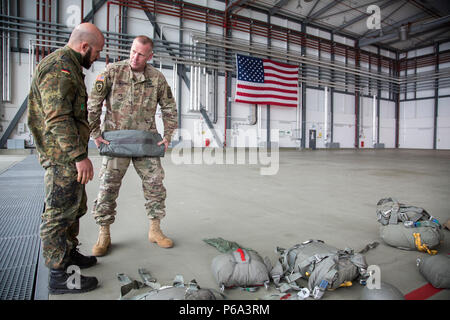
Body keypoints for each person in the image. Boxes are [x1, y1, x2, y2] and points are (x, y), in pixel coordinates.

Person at [27, 23, 105, 294]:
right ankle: (60, 276)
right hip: (62, 157)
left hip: (68, 156)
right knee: (58, 214)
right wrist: (79, 156)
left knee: (73, 208)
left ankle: (69, 255)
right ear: (84, 46)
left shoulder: (70, 66)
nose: (97, 57)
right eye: (96, 52)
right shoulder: (59, 67)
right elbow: (58, 118)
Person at [88, 35, 178, 257]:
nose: (135, 57)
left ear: (150, 56)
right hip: (115, 142)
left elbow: (169, 107)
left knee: (155, 184)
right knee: (108, 187)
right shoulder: (112, 71)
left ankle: (155, 230)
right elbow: (93, 102)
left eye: (141, 54)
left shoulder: (157, 78)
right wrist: (95, 133)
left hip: (145, 142)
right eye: (133, 52)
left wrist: (167, 135)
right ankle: (104, 234)